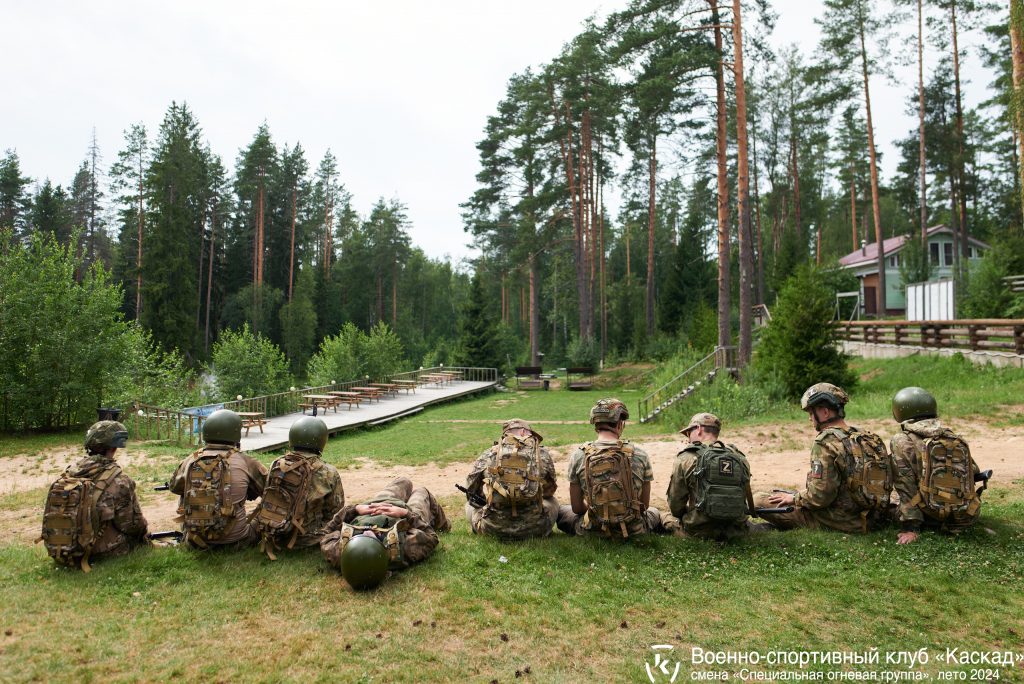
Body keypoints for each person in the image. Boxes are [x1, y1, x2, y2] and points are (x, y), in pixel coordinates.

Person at [754, 383, 894, 534]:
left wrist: (795, 499)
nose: (810, 419)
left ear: (825, 412)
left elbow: (820, 497)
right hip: (873, 516)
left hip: (844, 521)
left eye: (811, 413)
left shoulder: (826, 442)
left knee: (759, 500)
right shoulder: (866, 436)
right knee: (787, 495)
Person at [40, 420, 148, 571]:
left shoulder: (69, 473)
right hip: (102, 552)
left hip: (65, 549)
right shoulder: (119, 480)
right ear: (114, 447)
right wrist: (145, 534)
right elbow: (131, 524)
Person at [889, 386, 985, 544]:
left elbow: (905, 484)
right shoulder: (950, 436)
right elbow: (974, 471)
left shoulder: (902, 441)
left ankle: (914, 523)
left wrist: (910, 528)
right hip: (965, 515)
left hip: (930, 515)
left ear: (899, 412)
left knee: (890, 503)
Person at [559, 398, 664, 538]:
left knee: (561, 511)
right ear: (620, 423)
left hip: (593, 531)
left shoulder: (578, 455)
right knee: (654, 512)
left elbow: (577, 508)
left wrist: (595, 513)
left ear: (595, 424)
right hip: (633, 529)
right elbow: (644, 505)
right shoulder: (640, 454)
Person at [320, 477, 450, 588]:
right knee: (421, 491)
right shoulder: (403, 549)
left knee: (403, 481)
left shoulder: (337, 552)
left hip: (373, 505)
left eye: (361, 536)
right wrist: (405, 513)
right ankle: (444, 525)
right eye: (373, 538)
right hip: (404, 512)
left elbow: (325, 533)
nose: (368, 531)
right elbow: (431, 536)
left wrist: (355, 509)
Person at [169, 409, 267, 549]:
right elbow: (268, 490)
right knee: (265, 510)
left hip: (194, 542)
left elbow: (174, 487)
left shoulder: (191, 460)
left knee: (185, 493)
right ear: (235, 433)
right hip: (236, 542)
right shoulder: (246, 462)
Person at [253, 416, 344, 558]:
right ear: (322, 441)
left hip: (274, 532)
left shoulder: (277, 465)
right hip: (307, 538)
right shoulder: (327, 471)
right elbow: (336, 511)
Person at [463, 419, 563, 540]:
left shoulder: (488, 454)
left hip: (492, 528)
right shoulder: (542, 454)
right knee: (553, 501)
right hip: (535, 529)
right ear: (522, 432)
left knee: (469, 506)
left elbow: (471, 489)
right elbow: (549, 491)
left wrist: (487, 502)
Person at [663, 412, 753, 541]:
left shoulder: (686, 458)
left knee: (665, 517)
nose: (688, 438)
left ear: (698, 429)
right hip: (735, 530)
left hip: (700, 531)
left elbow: (676, 505)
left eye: (689, 433)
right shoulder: (739, 457)